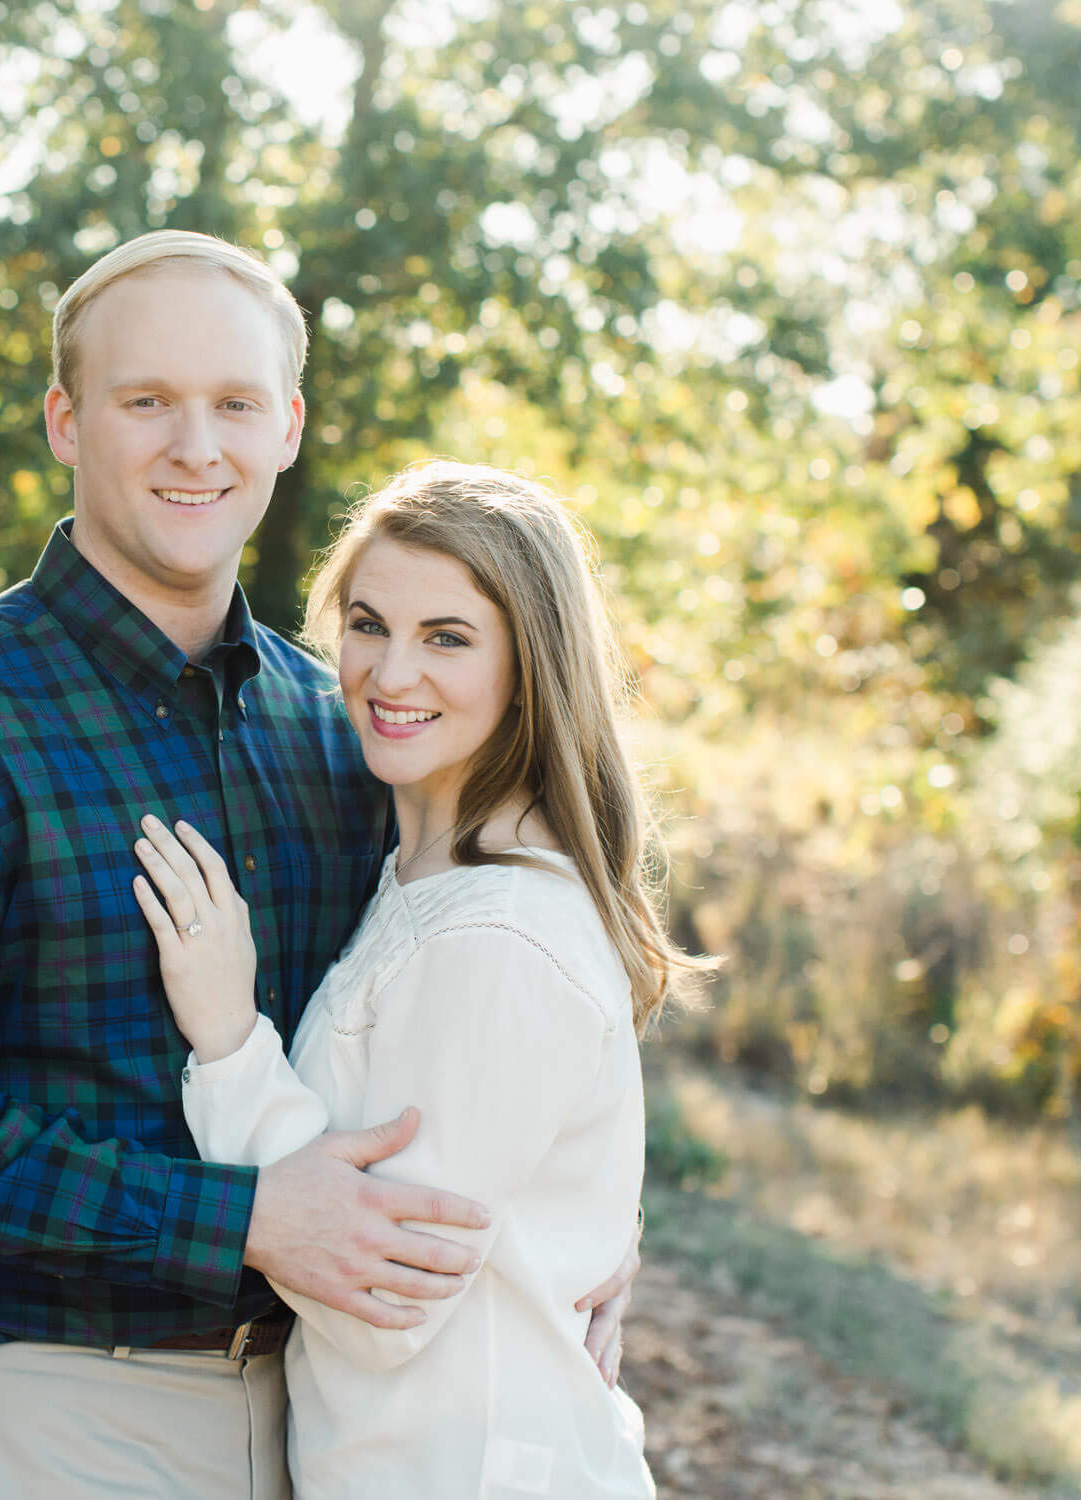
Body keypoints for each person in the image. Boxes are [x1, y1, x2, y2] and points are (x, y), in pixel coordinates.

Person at [0, 232, 640, 1500]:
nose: (197, 446)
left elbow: (469, 1017)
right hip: (57, 1396)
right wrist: (239, 1218)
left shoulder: (335, 724)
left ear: (287, 426)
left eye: (233, 403)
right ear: (67, 422)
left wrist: (577, 1227)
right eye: (147, 403)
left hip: (324, 1413)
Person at [130, 460, 712, 1498]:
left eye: (446, 637)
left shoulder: (501, 936)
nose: (389, 674)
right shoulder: (420, 875)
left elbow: (377, 1299)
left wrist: (227, 1040)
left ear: (528, 666)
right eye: (366, 623)